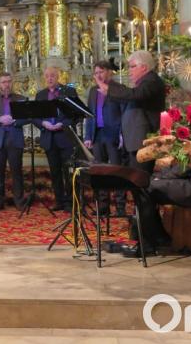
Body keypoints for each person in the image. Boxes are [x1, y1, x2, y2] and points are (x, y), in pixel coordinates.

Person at [95, 50, 169, 255]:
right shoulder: (143, 82)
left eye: (131, 66)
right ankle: (158, 237)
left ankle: (147, 244)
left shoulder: (151, 82)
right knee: (140, 194)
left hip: (143, 146)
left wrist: (109, 88)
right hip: (136, 145)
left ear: (143, 67)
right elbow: (130, 97)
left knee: (141, 194)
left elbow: (134, 96)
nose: (128, 71)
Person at [83, 60, 126, 216]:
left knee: (117, 170)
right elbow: (89, 115)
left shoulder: (118, 89)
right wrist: (88, 135)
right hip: (97, 134)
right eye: (96, 73)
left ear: (109, 72)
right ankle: (103, 206)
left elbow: (123, 114)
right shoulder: (94, 91)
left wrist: (122, 134)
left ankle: (120, 206)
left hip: (113, 134)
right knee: (99, 171)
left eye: (101, 72)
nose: (98, 75)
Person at [34, 66, 79, 212]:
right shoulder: (40, 95)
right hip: (49, 138)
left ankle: (71, 202)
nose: (49, 78)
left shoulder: (69, 91)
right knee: (55, 172)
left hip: (65, 137)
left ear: (58, 76)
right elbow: (34, 116)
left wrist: (63, 124)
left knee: (68, 171)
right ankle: (59, 201)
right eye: (47, 76)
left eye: (52, 75)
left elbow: (75, 115)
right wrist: (43, 123)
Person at [0, 72, 28, 211]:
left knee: (17, 172)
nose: (6, 84)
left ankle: (19, 201)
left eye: (8, 81)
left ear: (12, 82)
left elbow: (28, 117)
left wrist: (15, 120)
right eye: (3, 82)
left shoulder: (21, 98)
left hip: (15, 139)